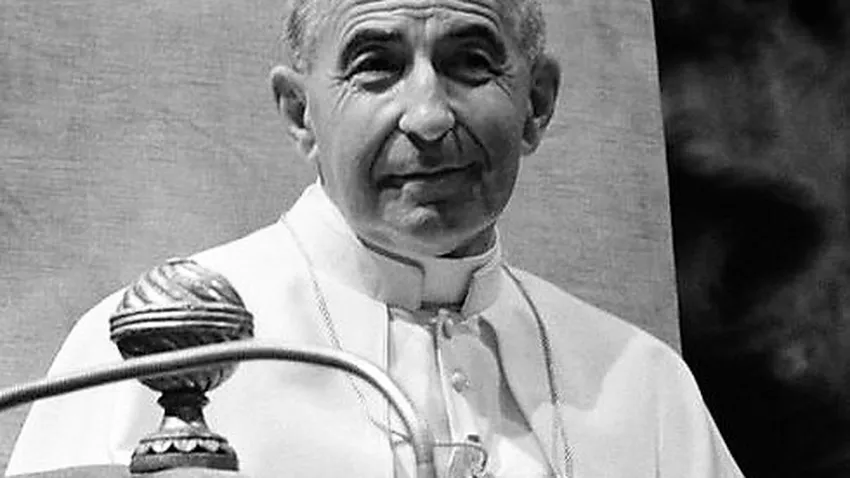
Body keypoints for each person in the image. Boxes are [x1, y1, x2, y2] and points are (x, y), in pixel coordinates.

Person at [6, 0, 743, 476]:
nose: (428, 116)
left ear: (537, 104)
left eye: (470, 63)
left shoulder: (645, 386)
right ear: (299, 113)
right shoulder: (152, 348)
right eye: (377, 67)